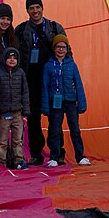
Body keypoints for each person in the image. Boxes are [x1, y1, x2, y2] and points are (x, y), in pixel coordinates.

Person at [15, 0, 66, 166]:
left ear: (42, 8)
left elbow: (67, 54)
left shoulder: (55, 27)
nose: (35, 11)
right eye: (31, 8)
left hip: (53, 81)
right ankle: (36, 154)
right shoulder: (20, 30)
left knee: (55, 117)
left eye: (38, 7)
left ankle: (57, 153)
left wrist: (67, 78)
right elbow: (14, 56)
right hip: (31, 81)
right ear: (27, 10)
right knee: (33, 118)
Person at [42, 34, 91, 166]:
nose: (61, 50)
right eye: (58, 47)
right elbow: (45, 87)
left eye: (63, 47)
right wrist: (45, 106)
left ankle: (80, 156)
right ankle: (54, 157)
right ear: (54, 48)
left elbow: (78, 84)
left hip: (70, 102)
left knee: (75, 129)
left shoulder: (72, 65)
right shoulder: (48, 66)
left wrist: (81, 103)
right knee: (54, 130)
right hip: (55, 103)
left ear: (67, 48)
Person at [0, 47, 30, 170]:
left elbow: (25, 92)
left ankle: (19, 160)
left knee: (17, 140)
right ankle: (1, 161)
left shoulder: (21, 73)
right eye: (9, 58)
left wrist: (26, 109)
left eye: (15, 58)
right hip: (3, 113)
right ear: (4, 59)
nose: (12, 60)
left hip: (17, 113)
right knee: (2, 140)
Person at [0, 3, 17, 164]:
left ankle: (14, 158)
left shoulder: (13, 38)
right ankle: (1, 159)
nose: (5, 22)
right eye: (2, 18)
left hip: (13, 88)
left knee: (15, 125)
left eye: (8, 19)